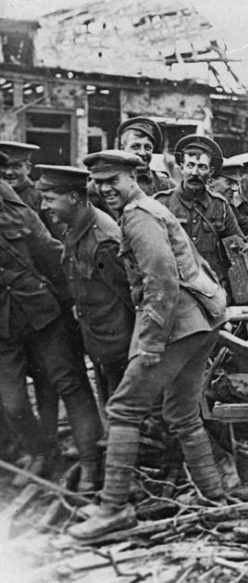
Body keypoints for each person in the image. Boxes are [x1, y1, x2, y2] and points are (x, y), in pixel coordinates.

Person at [70, 150, 228, 539]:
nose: (105, 189)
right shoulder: (148, 209)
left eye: (113, 181)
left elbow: (162, 281)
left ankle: (113, 509)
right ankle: (216, 496)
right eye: (99, 182)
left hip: (175, 323)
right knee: (182, 413)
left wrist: (152, 343)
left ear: (133, 178)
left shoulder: (140, 218)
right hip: (201, 321)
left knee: (123, 409)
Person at [0, 160, 103, 489]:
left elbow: (53, 256)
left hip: (40, 315)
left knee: (70, 386)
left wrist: (78, 301)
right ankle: (41, 453)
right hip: (2, 327)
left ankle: (89, 461)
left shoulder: (18, 214)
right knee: (12, 400)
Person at [37, 165, 134, 404]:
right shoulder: (74, 227)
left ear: (73, 198)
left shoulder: (103, 241)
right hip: (100, 340)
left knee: (126, 411)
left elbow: (131, 297)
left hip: (119, 347)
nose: (43, 207)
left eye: (49, 199)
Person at [155, 135, 244, 289]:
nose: (195, 173)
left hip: (213, 287)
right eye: (190, 165)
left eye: (202, 167)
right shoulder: (161, 203)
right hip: (177, 287)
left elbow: (239, 246)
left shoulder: (221, 206)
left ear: (211, 171)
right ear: (182, 168)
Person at [116, 117, 176, 196]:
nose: (142, 153)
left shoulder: (167, 186)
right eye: (135, 147)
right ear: (122, 149)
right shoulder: (109, 183)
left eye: (147, 147)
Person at [0, 141, 42, 213]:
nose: (9, 172)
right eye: (4, 166)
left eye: (16, 167)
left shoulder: (39, 196)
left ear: (28, 169)